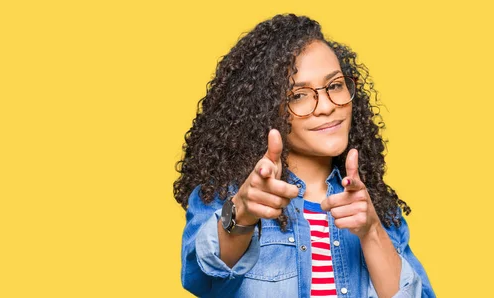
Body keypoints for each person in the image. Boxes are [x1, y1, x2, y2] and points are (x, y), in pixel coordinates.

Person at [174, 13, 435, 298]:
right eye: (298, 95)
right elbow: (203, 279)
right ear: (266, 109)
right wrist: (242, 214)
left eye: (335, 85)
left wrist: (372, 232)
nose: (325, 106)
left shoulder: (378, 212)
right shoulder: (230, 199)